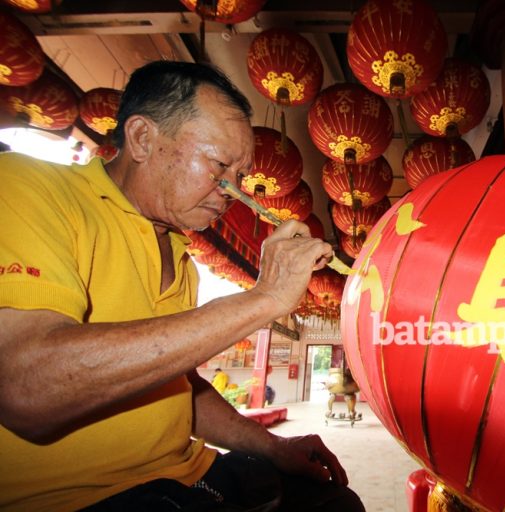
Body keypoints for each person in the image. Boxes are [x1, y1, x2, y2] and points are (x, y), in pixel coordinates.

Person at [0, 61, 364, 511]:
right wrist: (265, 297)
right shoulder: (30, 188)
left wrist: (273, 447)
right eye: (219, 166)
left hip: (188, 474)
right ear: (142, 138)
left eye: (240, 176)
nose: (233, 190)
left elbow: (179, 389)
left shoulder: (180, 254)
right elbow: (25, 386)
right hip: (80, 497)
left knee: (335, 503)